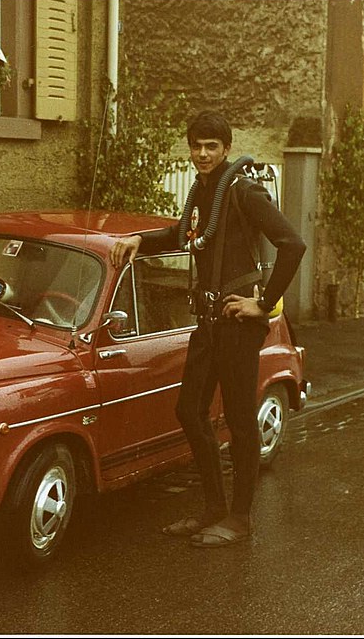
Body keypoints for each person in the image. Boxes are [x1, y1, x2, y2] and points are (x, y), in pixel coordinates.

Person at [110, 110, 306, 548]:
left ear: (226, 148)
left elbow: (293, 244)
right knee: (189, 410)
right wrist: (141, 239)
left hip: (238, 323)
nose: (202, 154)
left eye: (211, 147)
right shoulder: (203, 191)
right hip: (209, 322)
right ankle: (214, 508)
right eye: (196, 146)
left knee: (240, 420)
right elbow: (186, 234)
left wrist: (263, 304)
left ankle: (240, 518)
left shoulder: (243, 191)